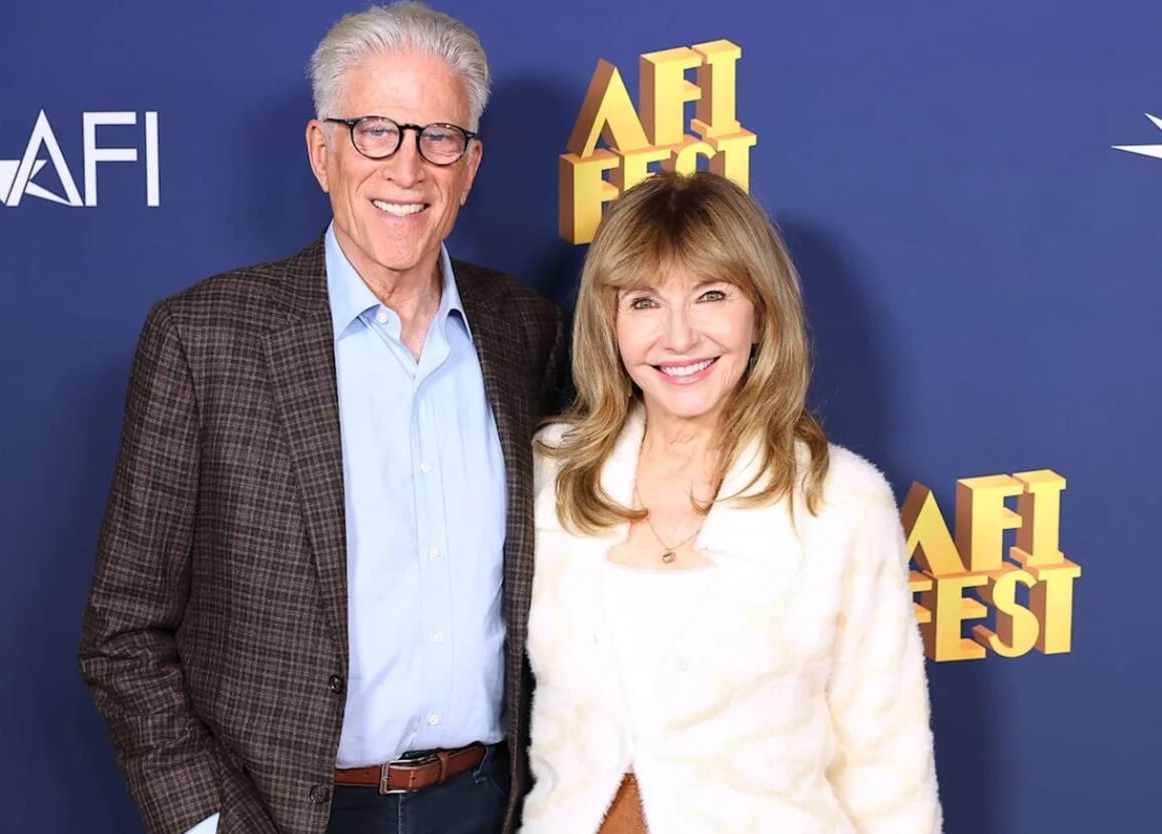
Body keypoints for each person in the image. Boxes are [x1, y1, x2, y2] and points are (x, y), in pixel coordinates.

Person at [78, 4, 562, 834]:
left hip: (491, 805)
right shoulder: (204, 341)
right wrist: (207, 823)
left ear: (471, 164)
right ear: (322, 151)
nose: (407, 169)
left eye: (438, 136)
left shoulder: (527, 330)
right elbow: (123, 633)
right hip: (286, 813)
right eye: (375, 131)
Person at [523, 171, 942, 834]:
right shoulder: (552, 476)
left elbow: (888, 770)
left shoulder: (841, 502)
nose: (679, 336)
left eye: (711, 295)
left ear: (760, 312)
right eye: (643, 302)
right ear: (608, 323)